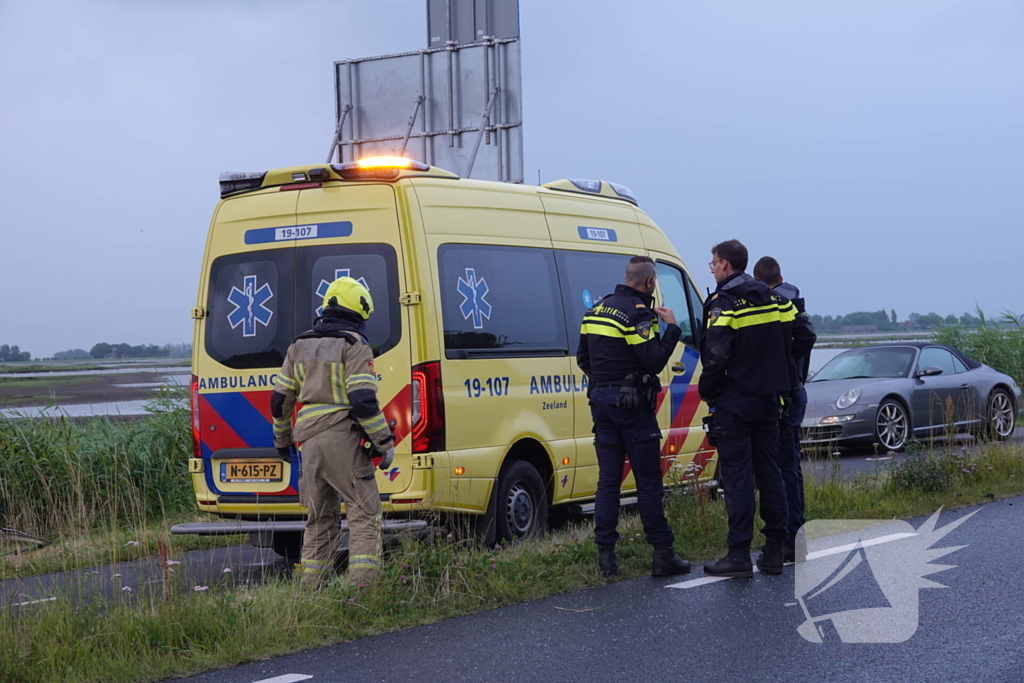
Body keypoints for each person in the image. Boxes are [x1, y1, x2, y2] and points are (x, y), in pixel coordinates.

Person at [271, 277, 395, 588]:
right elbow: (363, 400)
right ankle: (363, 591)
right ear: (359, 311)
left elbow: (280, 400)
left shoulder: (298, 345)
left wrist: (282, 439)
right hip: (343, 438)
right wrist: (383, 443)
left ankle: (311, 590)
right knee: (364, 514)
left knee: (319, 519)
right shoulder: (354, 345)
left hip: (309, 444)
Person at [577, 255, 691, 578]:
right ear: (650, 283)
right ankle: (663, 554)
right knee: (648, 482)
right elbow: (653, 360)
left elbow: (582, 358)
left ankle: (606, 558)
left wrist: (607, 381)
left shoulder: (595, 310)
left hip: (600, 403)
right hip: (633, 409)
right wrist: (672, 330)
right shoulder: (637, 314)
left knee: (608, 482)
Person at [699, 240, 798, 578]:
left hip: (735, 402)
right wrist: (786, 376)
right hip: (770, 400)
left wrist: (706, 389)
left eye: (713, 263)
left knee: (739, 479)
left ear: (726, 265)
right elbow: (801, 336)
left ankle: (739, 554)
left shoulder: (724, 303)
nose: (712, 269)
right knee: (771, 475)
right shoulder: (776, 299)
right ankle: (774, 552)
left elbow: (715, 354)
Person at [753, 256, 817, 562]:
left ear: (761, 282)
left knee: (779, 468)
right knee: (791, 466)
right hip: (797, 390)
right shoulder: (795, 299)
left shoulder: (772, 303)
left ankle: (785, 536)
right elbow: (807, 338)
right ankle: (796, 534)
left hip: (781, 394)